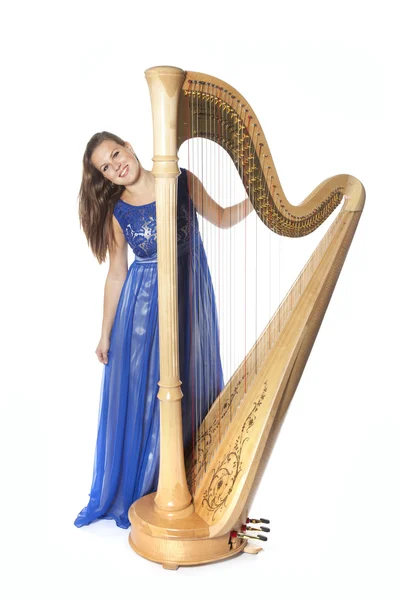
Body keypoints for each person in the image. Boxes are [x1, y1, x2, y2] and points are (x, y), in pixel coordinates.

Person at [74, 131, 253, 529]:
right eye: (106, 167)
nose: (116, 166)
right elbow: (117, 274)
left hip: (190, 294)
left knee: (191, 380)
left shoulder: (183, 181)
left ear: (129, 147)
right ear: (106, 176)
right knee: (148, 393)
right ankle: (152, 489)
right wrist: (105, 333)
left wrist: (257, 201)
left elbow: (222, 218)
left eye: (116, 154)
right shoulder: (118, 213)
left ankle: (193, 483)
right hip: (144, 306)